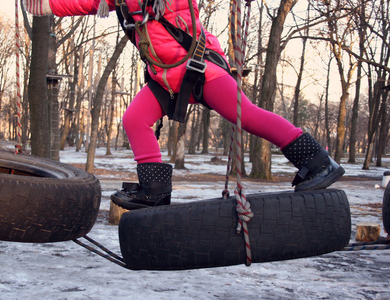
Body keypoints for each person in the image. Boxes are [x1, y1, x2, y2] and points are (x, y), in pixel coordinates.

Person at [24, 0, 344, 210]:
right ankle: (155, 190)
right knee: (134, 120)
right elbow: (81, 2)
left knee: (245, 114)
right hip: (165, 79)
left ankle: (317, 161)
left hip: (200, 69)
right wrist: (44, 3)